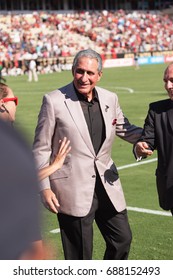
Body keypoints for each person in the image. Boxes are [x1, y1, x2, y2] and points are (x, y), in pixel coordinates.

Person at [33, 48, 142, 260]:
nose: (84, 78)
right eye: (79, 71)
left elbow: (125, 129)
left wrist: (154, 136)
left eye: (90, 73)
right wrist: (44, 188)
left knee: (122, 240)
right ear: (73, 71)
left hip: (107, 186)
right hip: (71, 188)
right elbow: (41, 148)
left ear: (99, 75)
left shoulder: (111, 98)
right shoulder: (53, 100)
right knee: (80, 256)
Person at [0, 119, 43, 260]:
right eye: (14, 100)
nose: (16, 105)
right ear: (2, 104)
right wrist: (54, 166)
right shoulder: (7, 139)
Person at [134, 62, 173, 215]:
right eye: (166, 81)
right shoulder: (157, 110)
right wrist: (141, 147)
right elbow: (148, 140)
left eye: (172, 80)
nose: (168, 86)